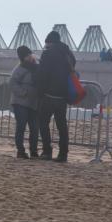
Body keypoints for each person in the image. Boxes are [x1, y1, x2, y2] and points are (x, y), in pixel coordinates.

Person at [35, 31, 76, 162]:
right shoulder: (68, 54)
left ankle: (47, 151)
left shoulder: (47, 54)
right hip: (63, 96)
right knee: (62, 126)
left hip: (49, 95)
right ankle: (63, 154)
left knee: (43, 122)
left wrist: (40, 92)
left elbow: (42, 75)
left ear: (50, 42)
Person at [9, 46, 39, 159]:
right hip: (20, 102)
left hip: (34, 102)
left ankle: (34, 151)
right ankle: (20, 150)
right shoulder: (19, 69)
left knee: (34, 128)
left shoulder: (37, 67)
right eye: (26, 56)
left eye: (29, 54)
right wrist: (24, 93)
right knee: (21, 127)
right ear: (22, 57)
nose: (29, 57)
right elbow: (12, 83)